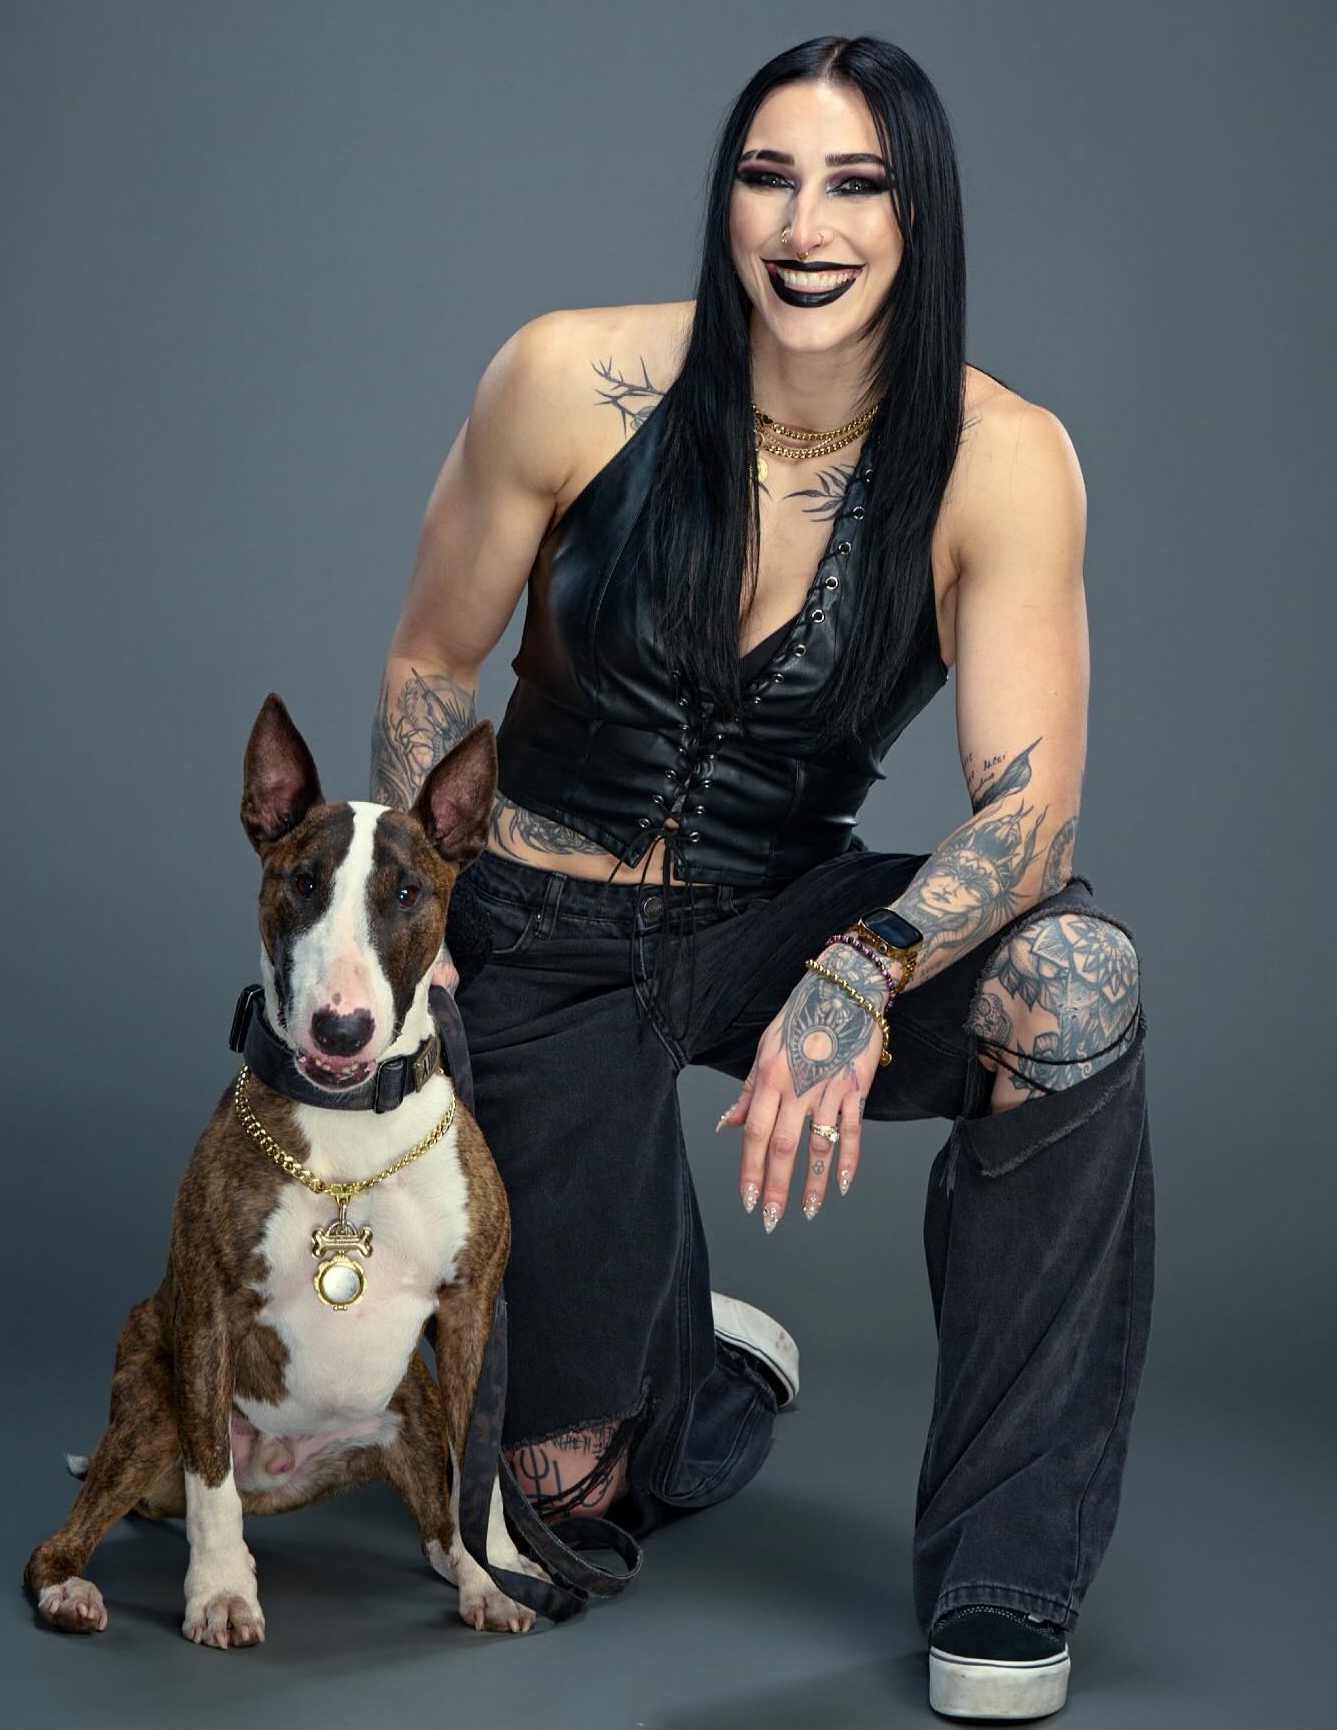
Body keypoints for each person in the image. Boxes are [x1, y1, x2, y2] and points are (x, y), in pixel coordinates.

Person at [370, 35, 1150, 1722]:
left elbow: (1032, 817)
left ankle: (1007, 1567)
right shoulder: (566, 379)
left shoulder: (1001, 455)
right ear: (724, 197)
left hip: (778, 919)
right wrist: (416, 911)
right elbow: (433, 660)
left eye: (857, 184)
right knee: (564, 1496)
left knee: (1075, 981)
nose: (806, 226)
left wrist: (859, 971)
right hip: (543, 918)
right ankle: (689, 1374)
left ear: (919, 214)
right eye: (768, 176)